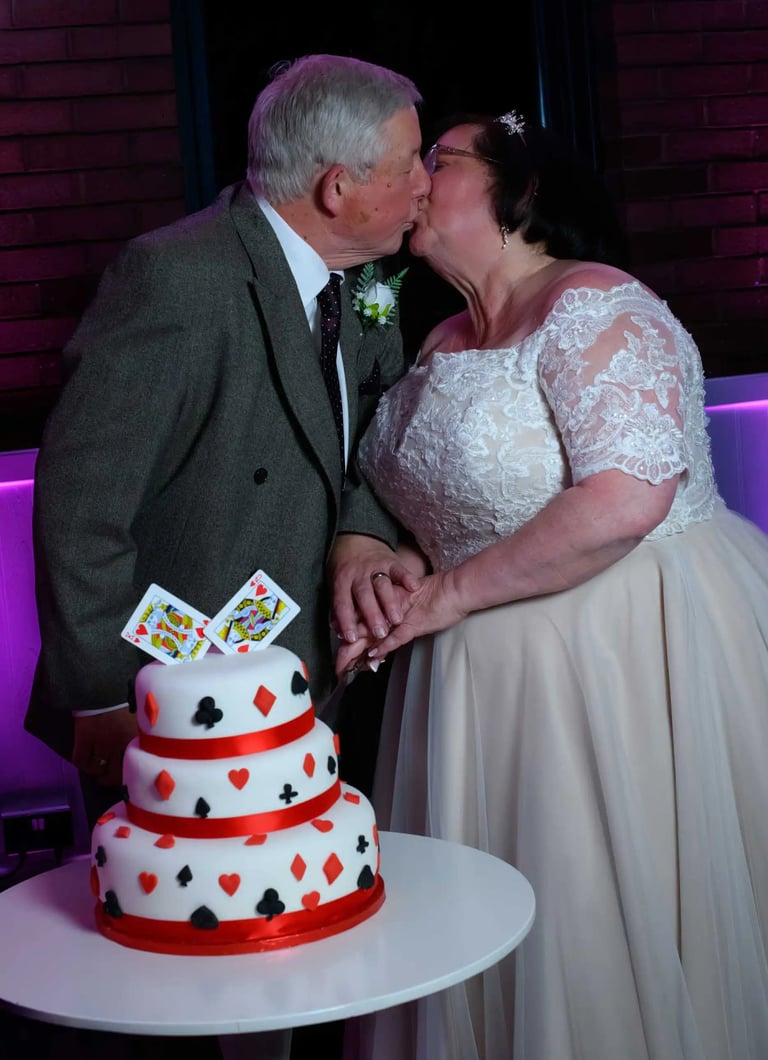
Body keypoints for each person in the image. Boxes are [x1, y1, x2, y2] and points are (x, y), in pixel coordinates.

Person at [334, 111, 768, 1059]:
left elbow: (623, 499)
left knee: (593, 903)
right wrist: (405, 559)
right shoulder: (442, 334)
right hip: (468, 679)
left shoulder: (597, 306)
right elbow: (452, 501)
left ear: (516, 194)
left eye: (438, 160)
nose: (415, 176)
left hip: (614, 655)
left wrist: (446, 597)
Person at [23, 53, 430, 1060]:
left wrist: (359, 530)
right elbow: (80, 506)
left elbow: (378, 431)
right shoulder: (178, 275)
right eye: (411, 164)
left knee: (291, 977)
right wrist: (101, 700)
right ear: (339, 187)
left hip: (299, 689)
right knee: (173, 996)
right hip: (167, 704)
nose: (426, 185)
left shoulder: (368, 277)